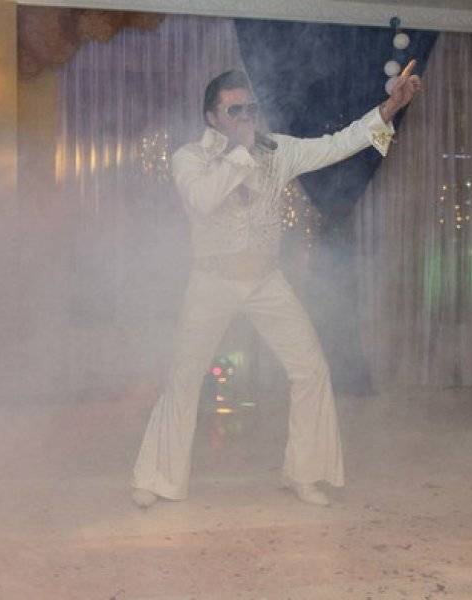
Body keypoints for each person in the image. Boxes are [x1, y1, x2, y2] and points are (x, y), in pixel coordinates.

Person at [132, 66, 422, 508]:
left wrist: (390, 109)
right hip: (212, 281)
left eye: (250, 108)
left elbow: (338, 143)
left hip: (266, 281)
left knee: (311, 369)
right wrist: (242, 152)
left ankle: (306, 473)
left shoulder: (278, 151)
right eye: (235, 110)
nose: (246, 116)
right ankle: (157, 479)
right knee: (184, 379)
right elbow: (204, 199)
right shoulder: (189, 158)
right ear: (212, 117)